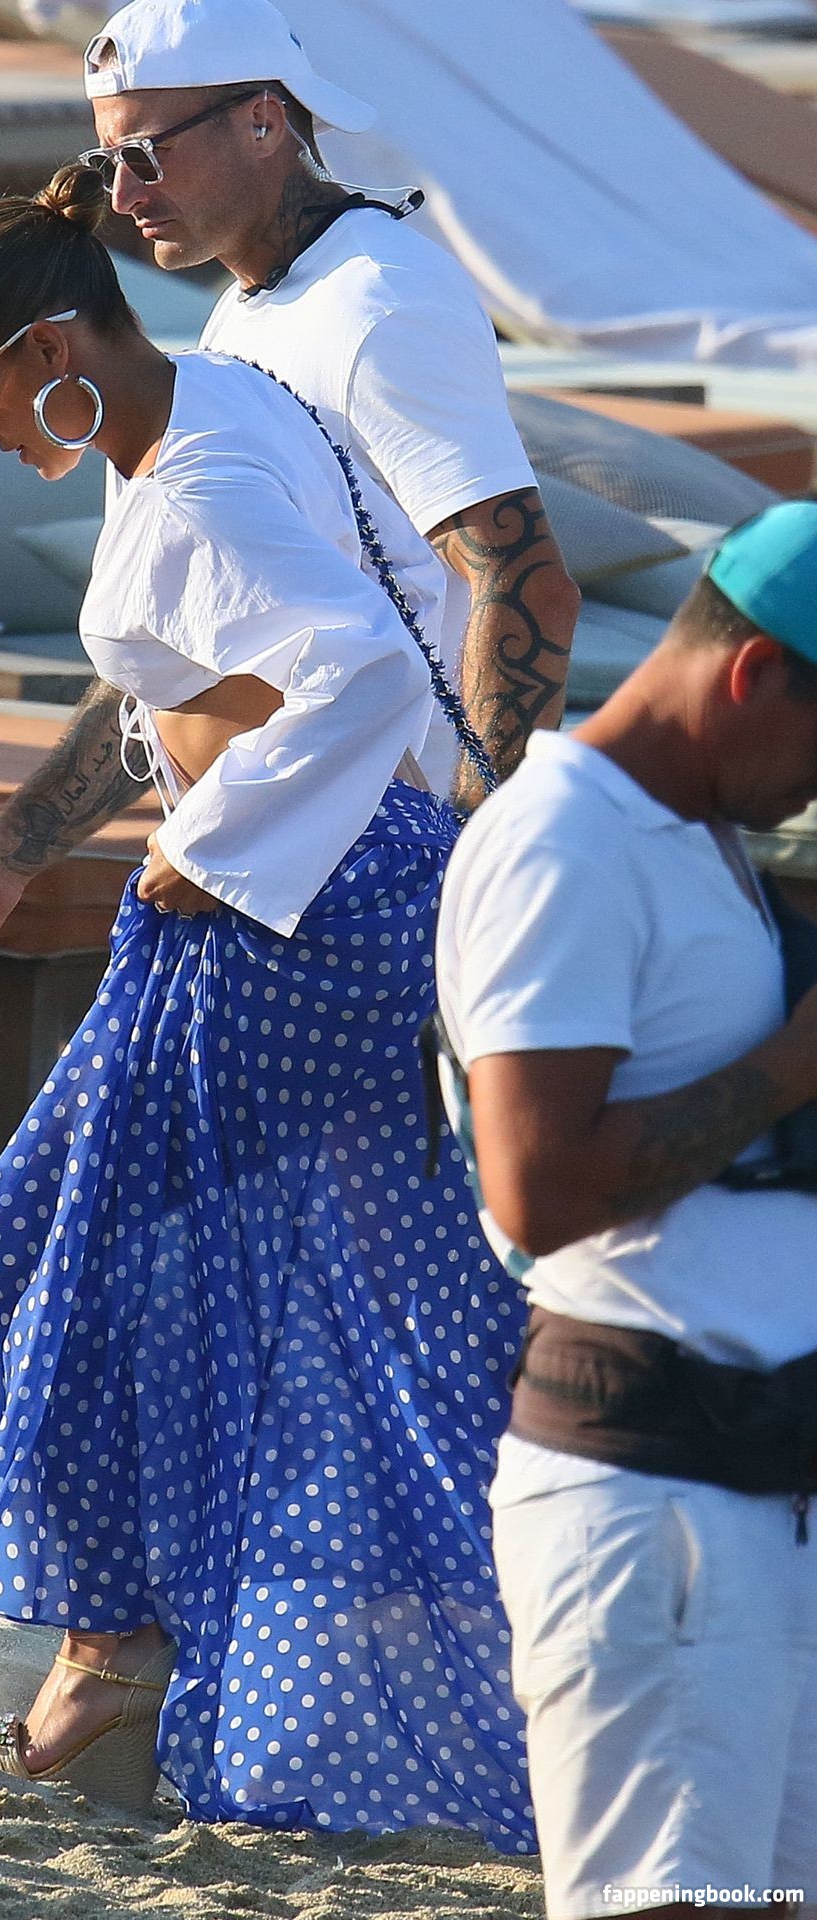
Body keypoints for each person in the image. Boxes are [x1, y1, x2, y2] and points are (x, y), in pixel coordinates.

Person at [0, 162, 534, 1850]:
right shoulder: (197, 411)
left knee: (128, 1278)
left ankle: (111, 1672)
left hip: (283, 915)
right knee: (302, 1294)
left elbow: (363, 668)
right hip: (318, 899)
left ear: (53, 347)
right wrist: (10, 861)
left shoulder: (208, 465)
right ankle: (131, 1663)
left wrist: (208, 852)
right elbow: (182, 672)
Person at [434, 501, 817, 1916]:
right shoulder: (565, 841)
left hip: (757, 1497)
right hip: (656, 1506)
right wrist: (796, 1063)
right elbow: (535, 1191)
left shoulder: (698, 836)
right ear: (755, 671)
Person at [83, 0, 579, 810]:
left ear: (263, 122)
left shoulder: (380, 302)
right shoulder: (245, 309)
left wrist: (470, 850)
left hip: (392, 849)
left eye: (145, 154)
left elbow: (526, 582)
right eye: (108, 162)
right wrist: (3, 862)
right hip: (290, 847)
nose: (123, 194)